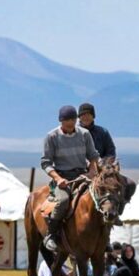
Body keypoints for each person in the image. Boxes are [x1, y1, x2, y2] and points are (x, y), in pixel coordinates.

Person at [40, 105, 99, 252]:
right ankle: (51, 235)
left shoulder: (85, 134)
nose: (70, 123)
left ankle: (105, 237)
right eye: (67, 120)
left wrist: (92, 171)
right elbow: (46, 163)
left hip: (83, 175)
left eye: (73, 120)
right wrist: (58, 179)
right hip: (62, 178)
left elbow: (93, 156)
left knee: (102, 196)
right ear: (61, 121)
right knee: (63, 201)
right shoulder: (52, 137)